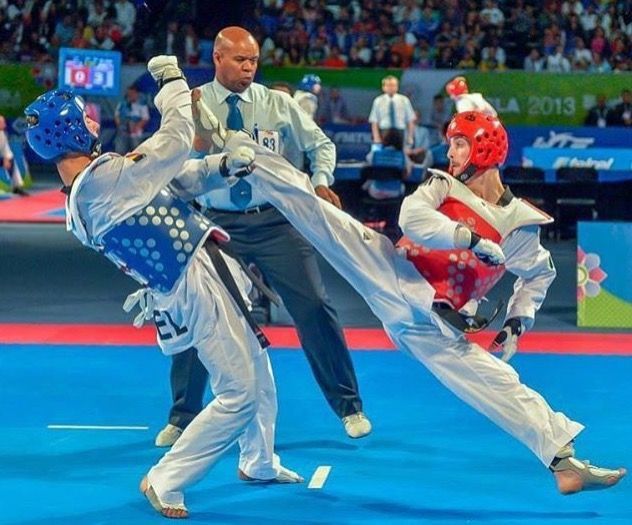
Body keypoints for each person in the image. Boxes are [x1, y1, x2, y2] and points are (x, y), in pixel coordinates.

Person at [195, 90, 626, 497]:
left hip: (431, 326)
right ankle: (233, 145)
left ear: (484, 149)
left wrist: (517, 321)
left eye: (458, 144)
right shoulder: (442, 186)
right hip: (390, 271)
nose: (450, 153)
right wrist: (470, 240)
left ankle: (563, 462)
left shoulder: (519, 223)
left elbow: (539, 275)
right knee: (317, 211)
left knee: (499, 382)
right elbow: (412, 218)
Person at [24, 56, 302, 520]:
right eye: (83, 116)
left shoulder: (99, 183)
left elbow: (174, 179)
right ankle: (165, 478)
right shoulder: (100, 184)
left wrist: (223, 165)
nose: (93, 121)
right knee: (238, 393)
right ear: (70, 130)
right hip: (191, 281)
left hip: (197, 271)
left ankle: (259, 461)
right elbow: (172, 144)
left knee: (257, 365)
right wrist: (173, 85)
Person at [154, 26, 371, 449]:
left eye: (254, 60)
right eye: (240, 60)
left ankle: (349, 406)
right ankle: (182, 416)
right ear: (218, 58)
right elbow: (171, 157)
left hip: (275, 222)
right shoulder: (191, 104)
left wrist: (322, 180)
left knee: (314, 305)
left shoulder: (278, 104)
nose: (249, 67)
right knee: (197, 312)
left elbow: (321, 145)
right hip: (214, 226)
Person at [368, 75, 415, 147]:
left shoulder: (404, 100)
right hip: (384, 130)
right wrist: (376, 137)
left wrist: (410, 137)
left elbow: (410, 120)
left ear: (397, 87)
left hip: (400, 130)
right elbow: (374, 121)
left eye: (393, 85)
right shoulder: (378, 101)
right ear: (383, 87)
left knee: (400, 154)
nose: (391, 88)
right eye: (388, 85)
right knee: (384, 153)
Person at [114, 85, 150, 154]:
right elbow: (116, 116)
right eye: (129, 93)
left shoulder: (142, 105)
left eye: (132, 93)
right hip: (123, 133)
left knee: (136, 151)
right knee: (120, 151)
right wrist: (120, 126)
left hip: (135, 134)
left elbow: (145, 118)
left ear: (136, 94)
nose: (130, 95)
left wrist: (137, 127)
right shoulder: (122, 104)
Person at [0, 115, 28, 196]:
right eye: (2, 123)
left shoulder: (1, 134)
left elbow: (5, 149)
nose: (5, 124)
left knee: (12, 162)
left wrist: (7, 159)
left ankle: (16, 187)